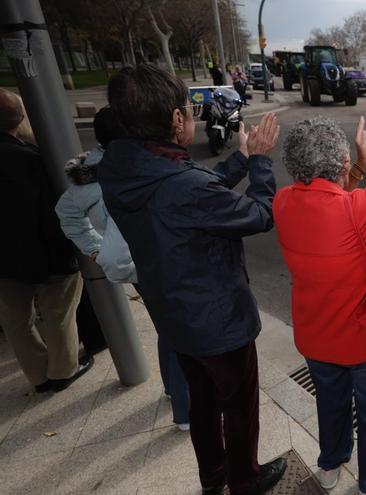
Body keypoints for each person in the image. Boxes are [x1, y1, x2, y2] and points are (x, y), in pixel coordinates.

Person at [99, 64, 284, 495]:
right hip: (218, 322)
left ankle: (213, 477)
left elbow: (193, 194)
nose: (194, 116)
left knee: (202, 401)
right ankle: (244, 480)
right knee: (237, 407)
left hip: (174, 316)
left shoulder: (121, 169)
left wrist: (238, 158)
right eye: (189, 108)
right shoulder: (181, 186)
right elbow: (259, 215)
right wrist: (258, 163)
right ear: (175, 119)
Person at [273, 115, 366, 494]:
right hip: (364, 344)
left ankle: (330, 465)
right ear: (340, 163)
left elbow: (330, 201)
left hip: (315, 340)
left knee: (331, 404)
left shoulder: (283, 202)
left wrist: (357, 167)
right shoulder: (362, 210)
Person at [55, 107, 191, 431]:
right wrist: (105, 253)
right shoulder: (127, 173)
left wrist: (93, 247)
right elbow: (116, 247)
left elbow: (66, 214)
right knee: (180, 335)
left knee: (166, 330)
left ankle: (173, 390)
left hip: (137, 266)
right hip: (150, 263)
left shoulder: (87, 175)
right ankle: (187, 413)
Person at [0, 88, 94, 393]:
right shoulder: (33, 158)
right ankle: (63, 370)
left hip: (5, 263)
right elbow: (54, 211)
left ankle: (38, 375)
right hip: (46, 253)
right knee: (59, 312)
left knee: (15, 321)